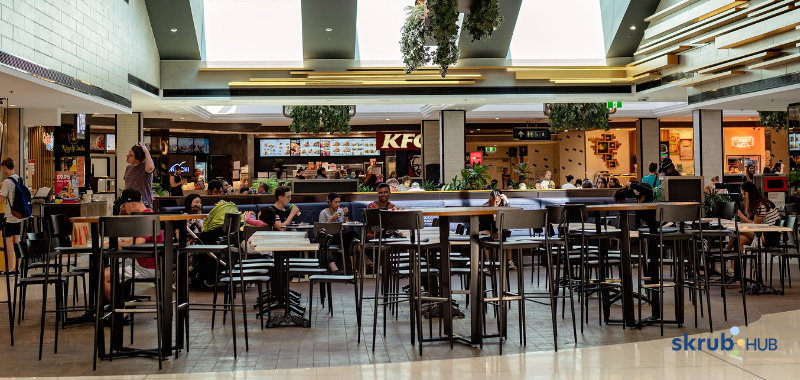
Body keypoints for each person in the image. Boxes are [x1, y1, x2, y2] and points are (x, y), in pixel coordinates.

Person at [105, 189, 161, 306]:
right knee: (113, 269)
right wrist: (122, 242)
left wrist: (120, 244)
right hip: (154, 265)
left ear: (133, 204)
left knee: (102, 275)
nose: (124, 209)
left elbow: (138, 245)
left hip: (148, 268)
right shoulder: (149, 213)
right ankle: (120, 305)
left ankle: (121, 311)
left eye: (124, 206)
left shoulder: (144, 218)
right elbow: (140, 241)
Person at [318, 192, 362, 275]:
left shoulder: (341, 211)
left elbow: (346, 227)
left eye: (339, 202)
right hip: (329, 236)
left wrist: (346, 214)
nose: (338, 204)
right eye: (335, 202)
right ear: (330, 202)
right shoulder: (323, 213)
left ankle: (353, 268)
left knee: (353, 237)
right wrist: (331, 218)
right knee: (352, 236)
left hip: (340, 235)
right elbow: (322, 229)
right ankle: (364, 261)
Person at [479, 189, 516, 269]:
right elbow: (483, 222)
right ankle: (488, 261)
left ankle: (509, 261)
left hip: (494, 233)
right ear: (491, 199)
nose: (497, 203)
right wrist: (492, 216)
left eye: (498, 201)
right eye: (495, 201)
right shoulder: (486, 207)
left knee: (506, 234)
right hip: (483, 232)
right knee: (487, 233)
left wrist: (507, 202)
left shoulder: (502, 208)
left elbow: (510, 215)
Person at [0, 158, 24, 274]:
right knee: (17, 242)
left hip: (9, 217)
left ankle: (9, 269)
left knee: (8, 241)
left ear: (5, 167)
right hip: (18, 216)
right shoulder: (19, 179)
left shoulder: (7, 182)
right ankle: (17, 268)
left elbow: (1, 200)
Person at [124, 142, 155, 208]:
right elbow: (126, 186)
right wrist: (123, 200)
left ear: (137, 159)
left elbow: (150, 167)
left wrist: (146, 151)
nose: (127, 156)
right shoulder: (128, 167)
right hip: (129, 205)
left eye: (131, 155)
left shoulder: (144, 167)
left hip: (144, 204)